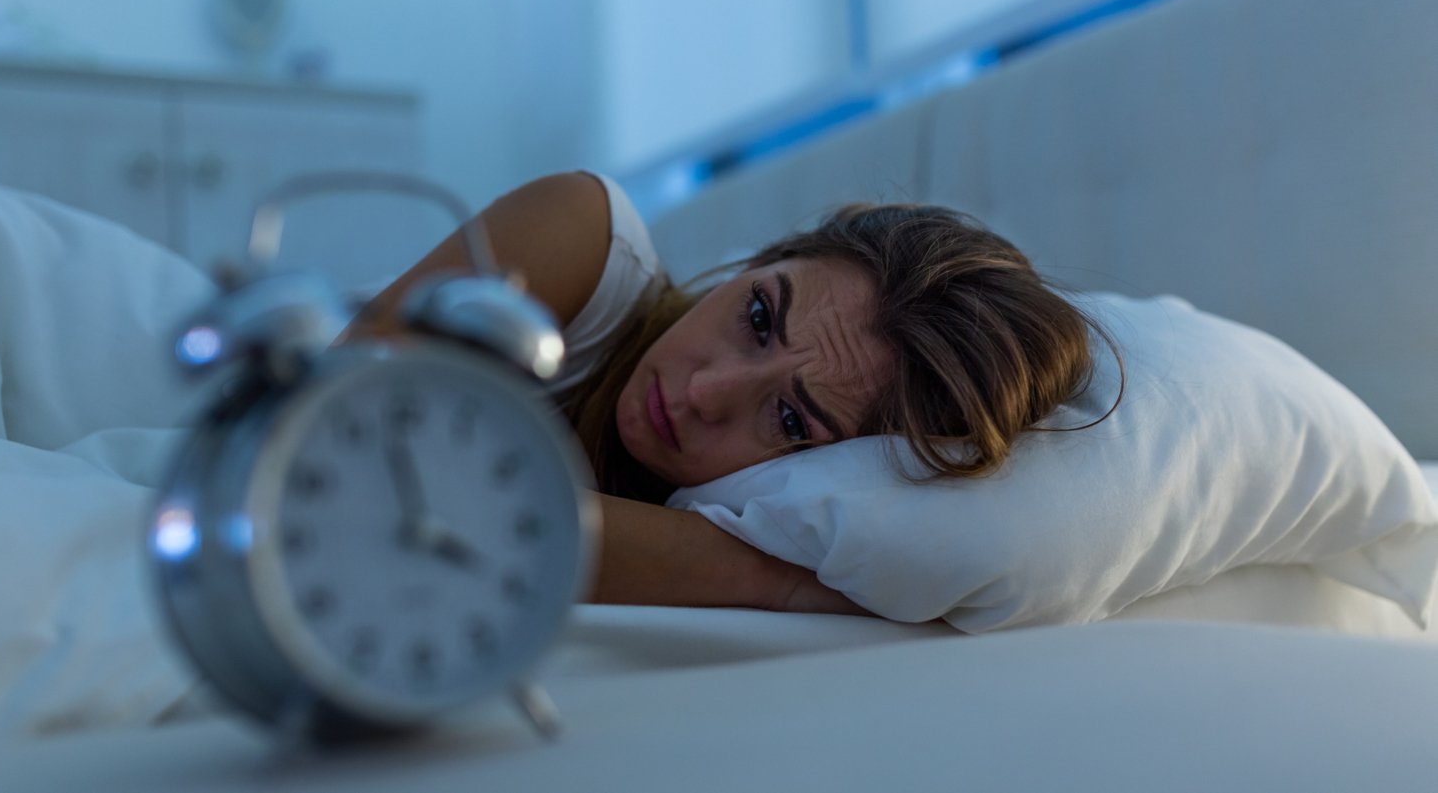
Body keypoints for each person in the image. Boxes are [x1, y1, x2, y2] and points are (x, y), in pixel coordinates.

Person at [348, 171, 1113, 616]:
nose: (707, 390)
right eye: (757, 316)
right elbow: (318, 438)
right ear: (764, 258)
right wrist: (754, 575)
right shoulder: (584, 238)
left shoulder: (806, 520)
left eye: (789, 418)